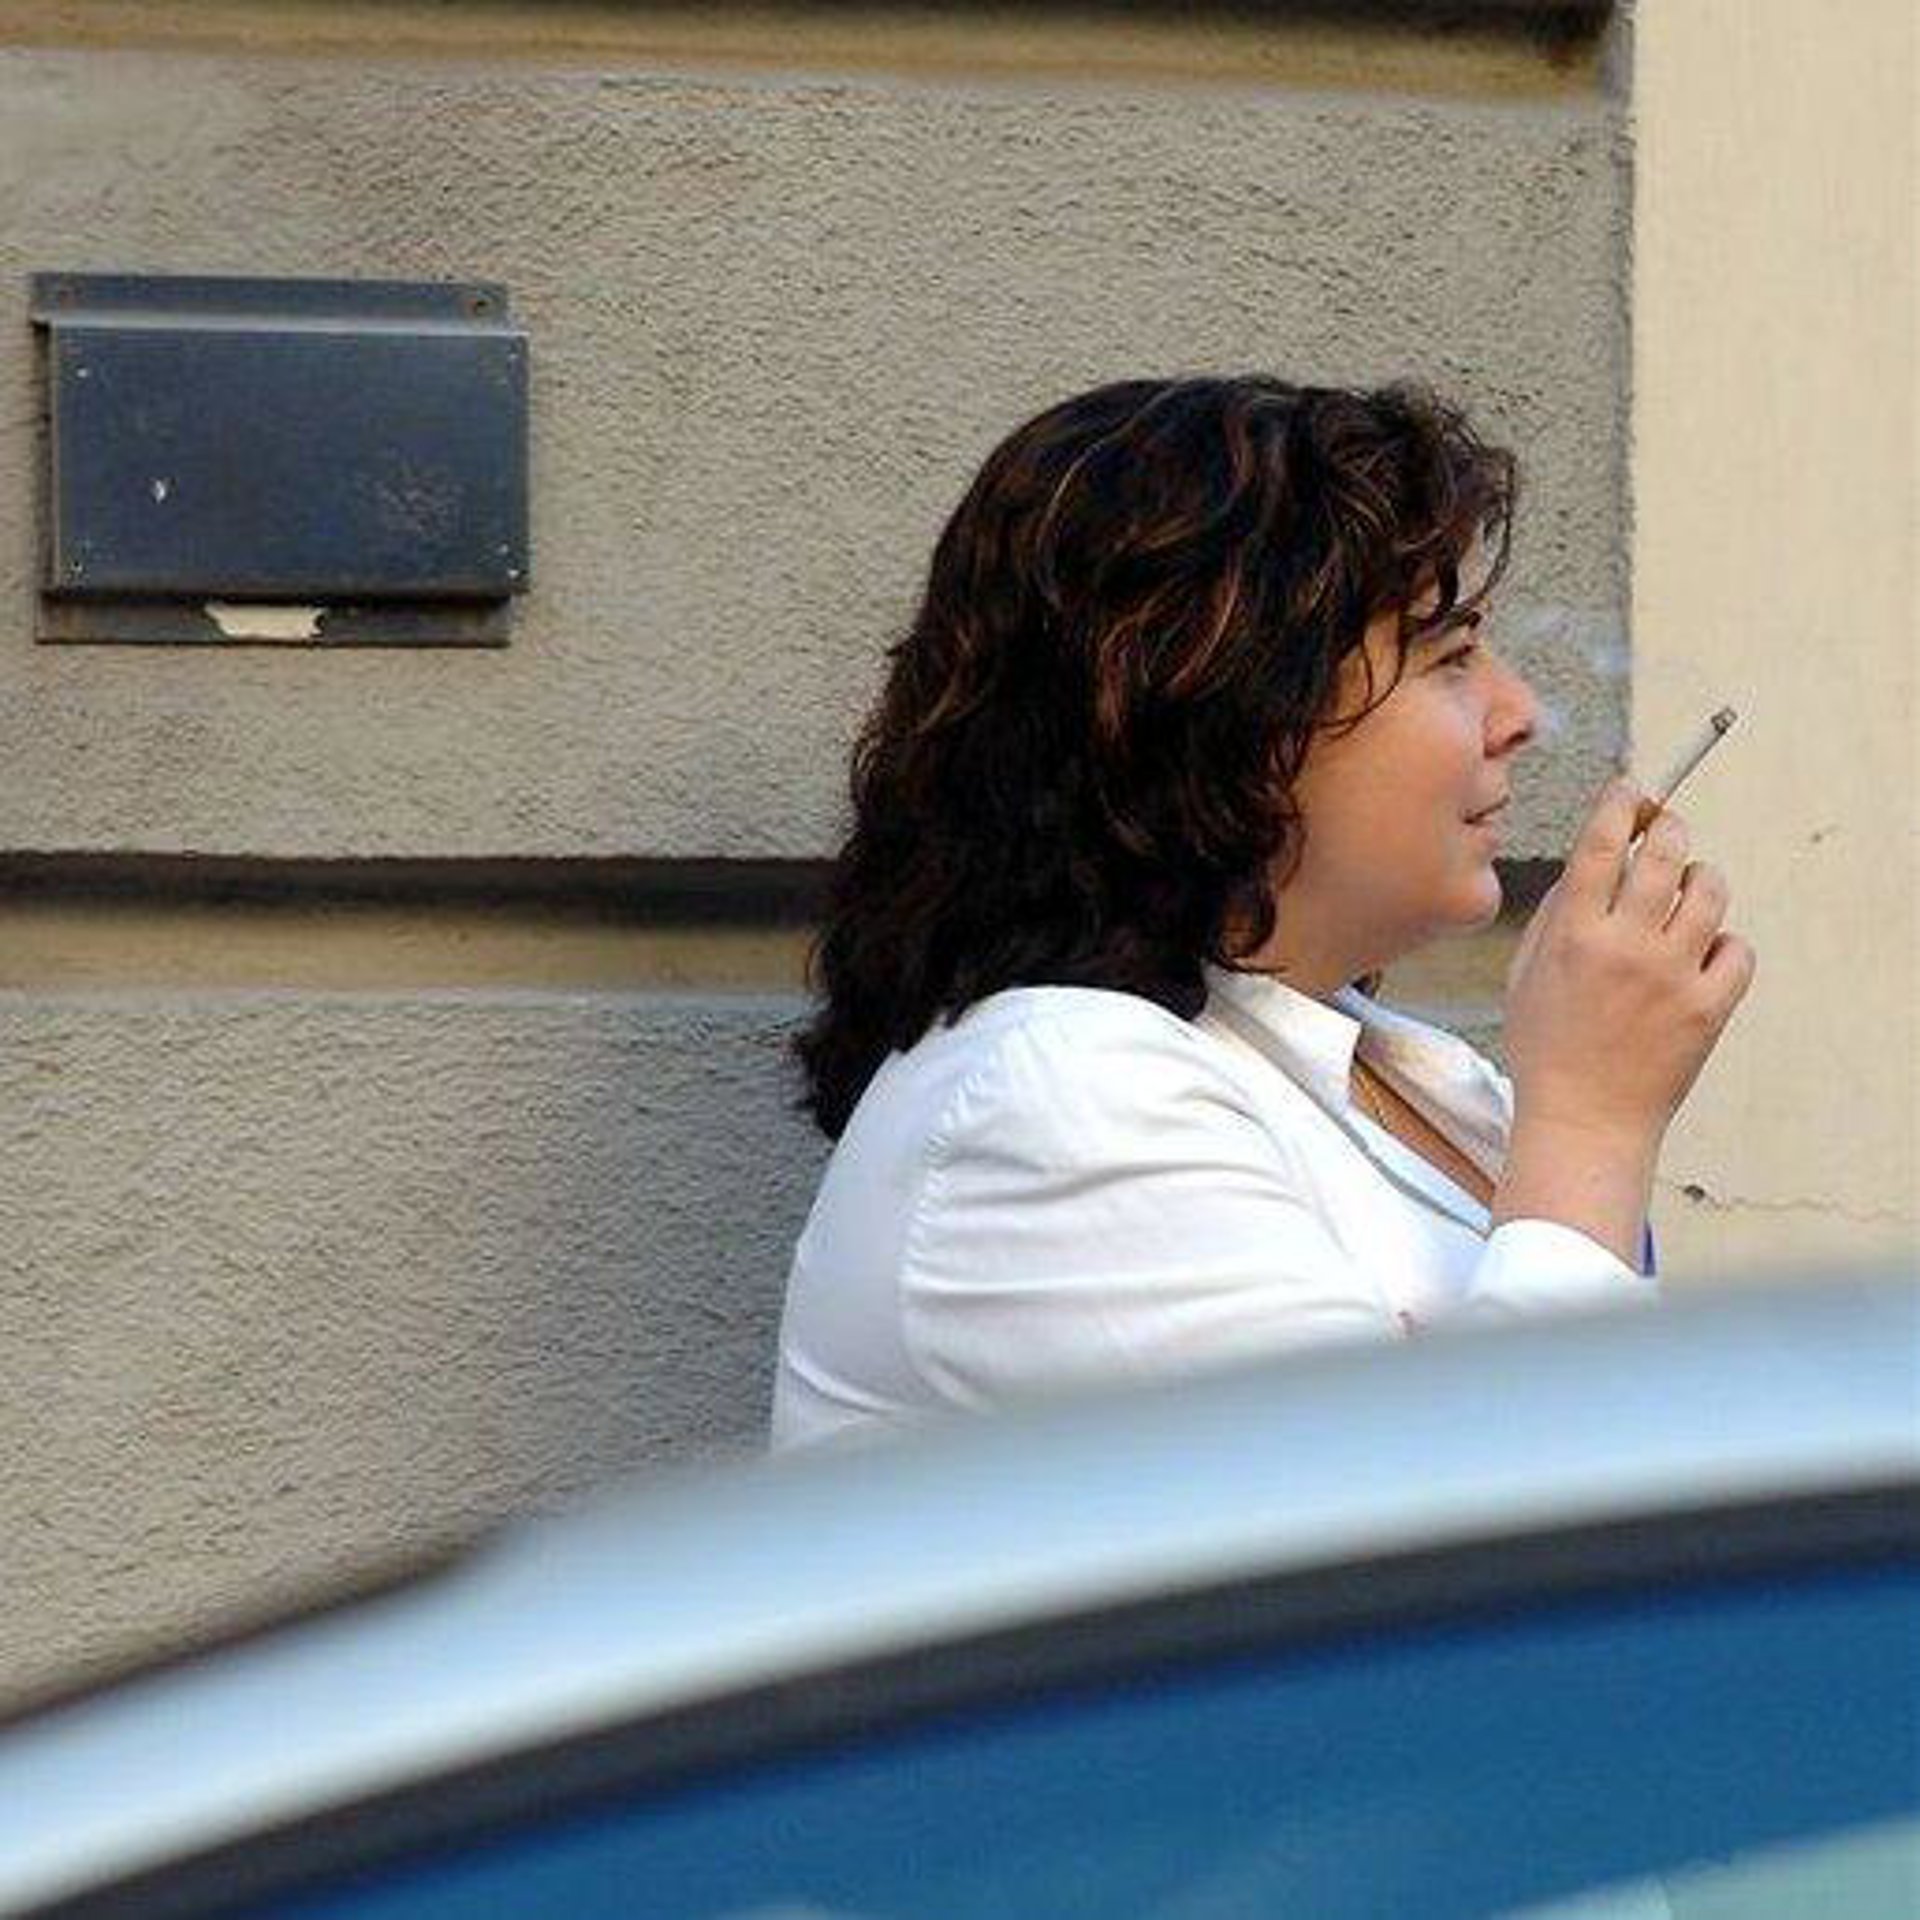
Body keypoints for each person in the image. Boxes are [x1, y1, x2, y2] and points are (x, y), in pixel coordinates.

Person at [770, 375, 1754, 1452]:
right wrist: (1590, 1125)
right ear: (1235, 712)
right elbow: (1434, 1531)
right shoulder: (1054, 1103)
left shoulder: (1380, 1069)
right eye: (1449, 655)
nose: (1517, 714)